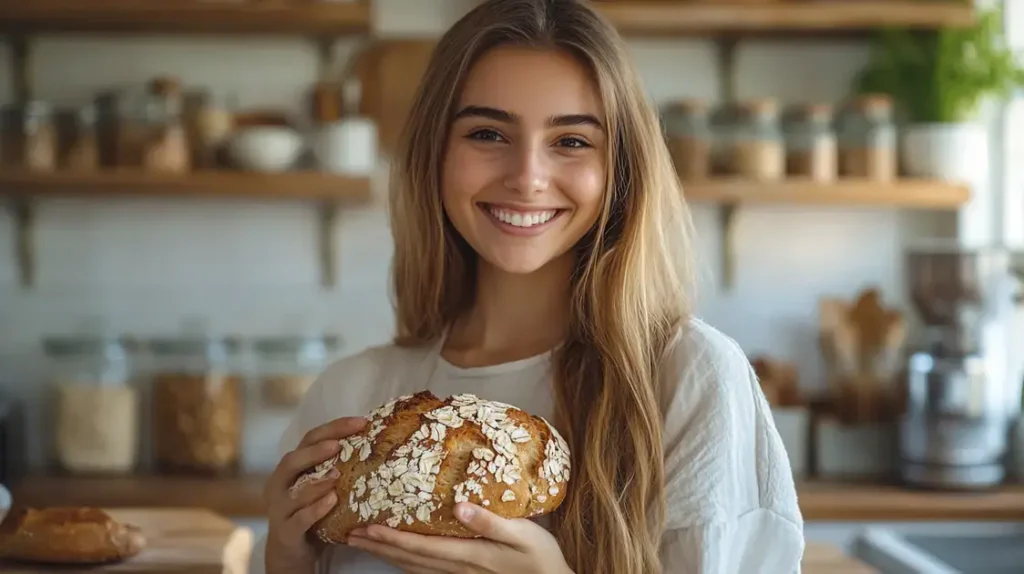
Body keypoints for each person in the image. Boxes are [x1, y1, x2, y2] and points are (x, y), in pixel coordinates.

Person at [252, 0, 804, 572]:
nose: (527, 177)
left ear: (621, 170)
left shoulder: (686, 379)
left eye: (571, 141)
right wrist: (286, 558)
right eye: (488, 133)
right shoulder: (350, 400)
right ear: (434, 153)